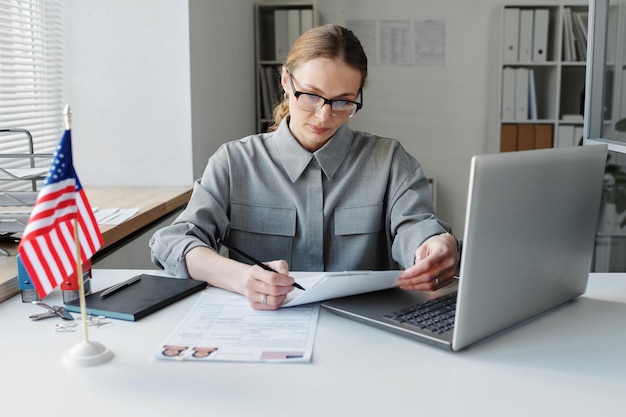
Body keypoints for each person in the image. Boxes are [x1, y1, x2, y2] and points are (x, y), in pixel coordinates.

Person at [150, 24, 460, 311]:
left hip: (364, 335)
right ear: (286, 81)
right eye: (310, 96)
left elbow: (415, 227)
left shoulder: (390, 160)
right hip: (264, 329)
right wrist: (240, 277)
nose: (324, 117)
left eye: (343, 102)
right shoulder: (234, 162)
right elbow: (173, 242)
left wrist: (435, 245)